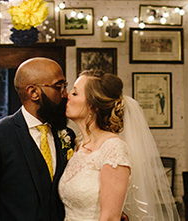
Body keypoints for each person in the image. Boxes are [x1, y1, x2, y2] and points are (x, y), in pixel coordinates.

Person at [0, 57, 75, 220]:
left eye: (65, 86)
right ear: (34, 92)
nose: (65, 94)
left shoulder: (66, 135)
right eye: (58, 86)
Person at [59, 69, 178, 221]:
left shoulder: (113, 148)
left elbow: (110, 217)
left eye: (75, 93)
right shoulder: (77, 145)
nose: (67, 96)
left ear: (93, 106)